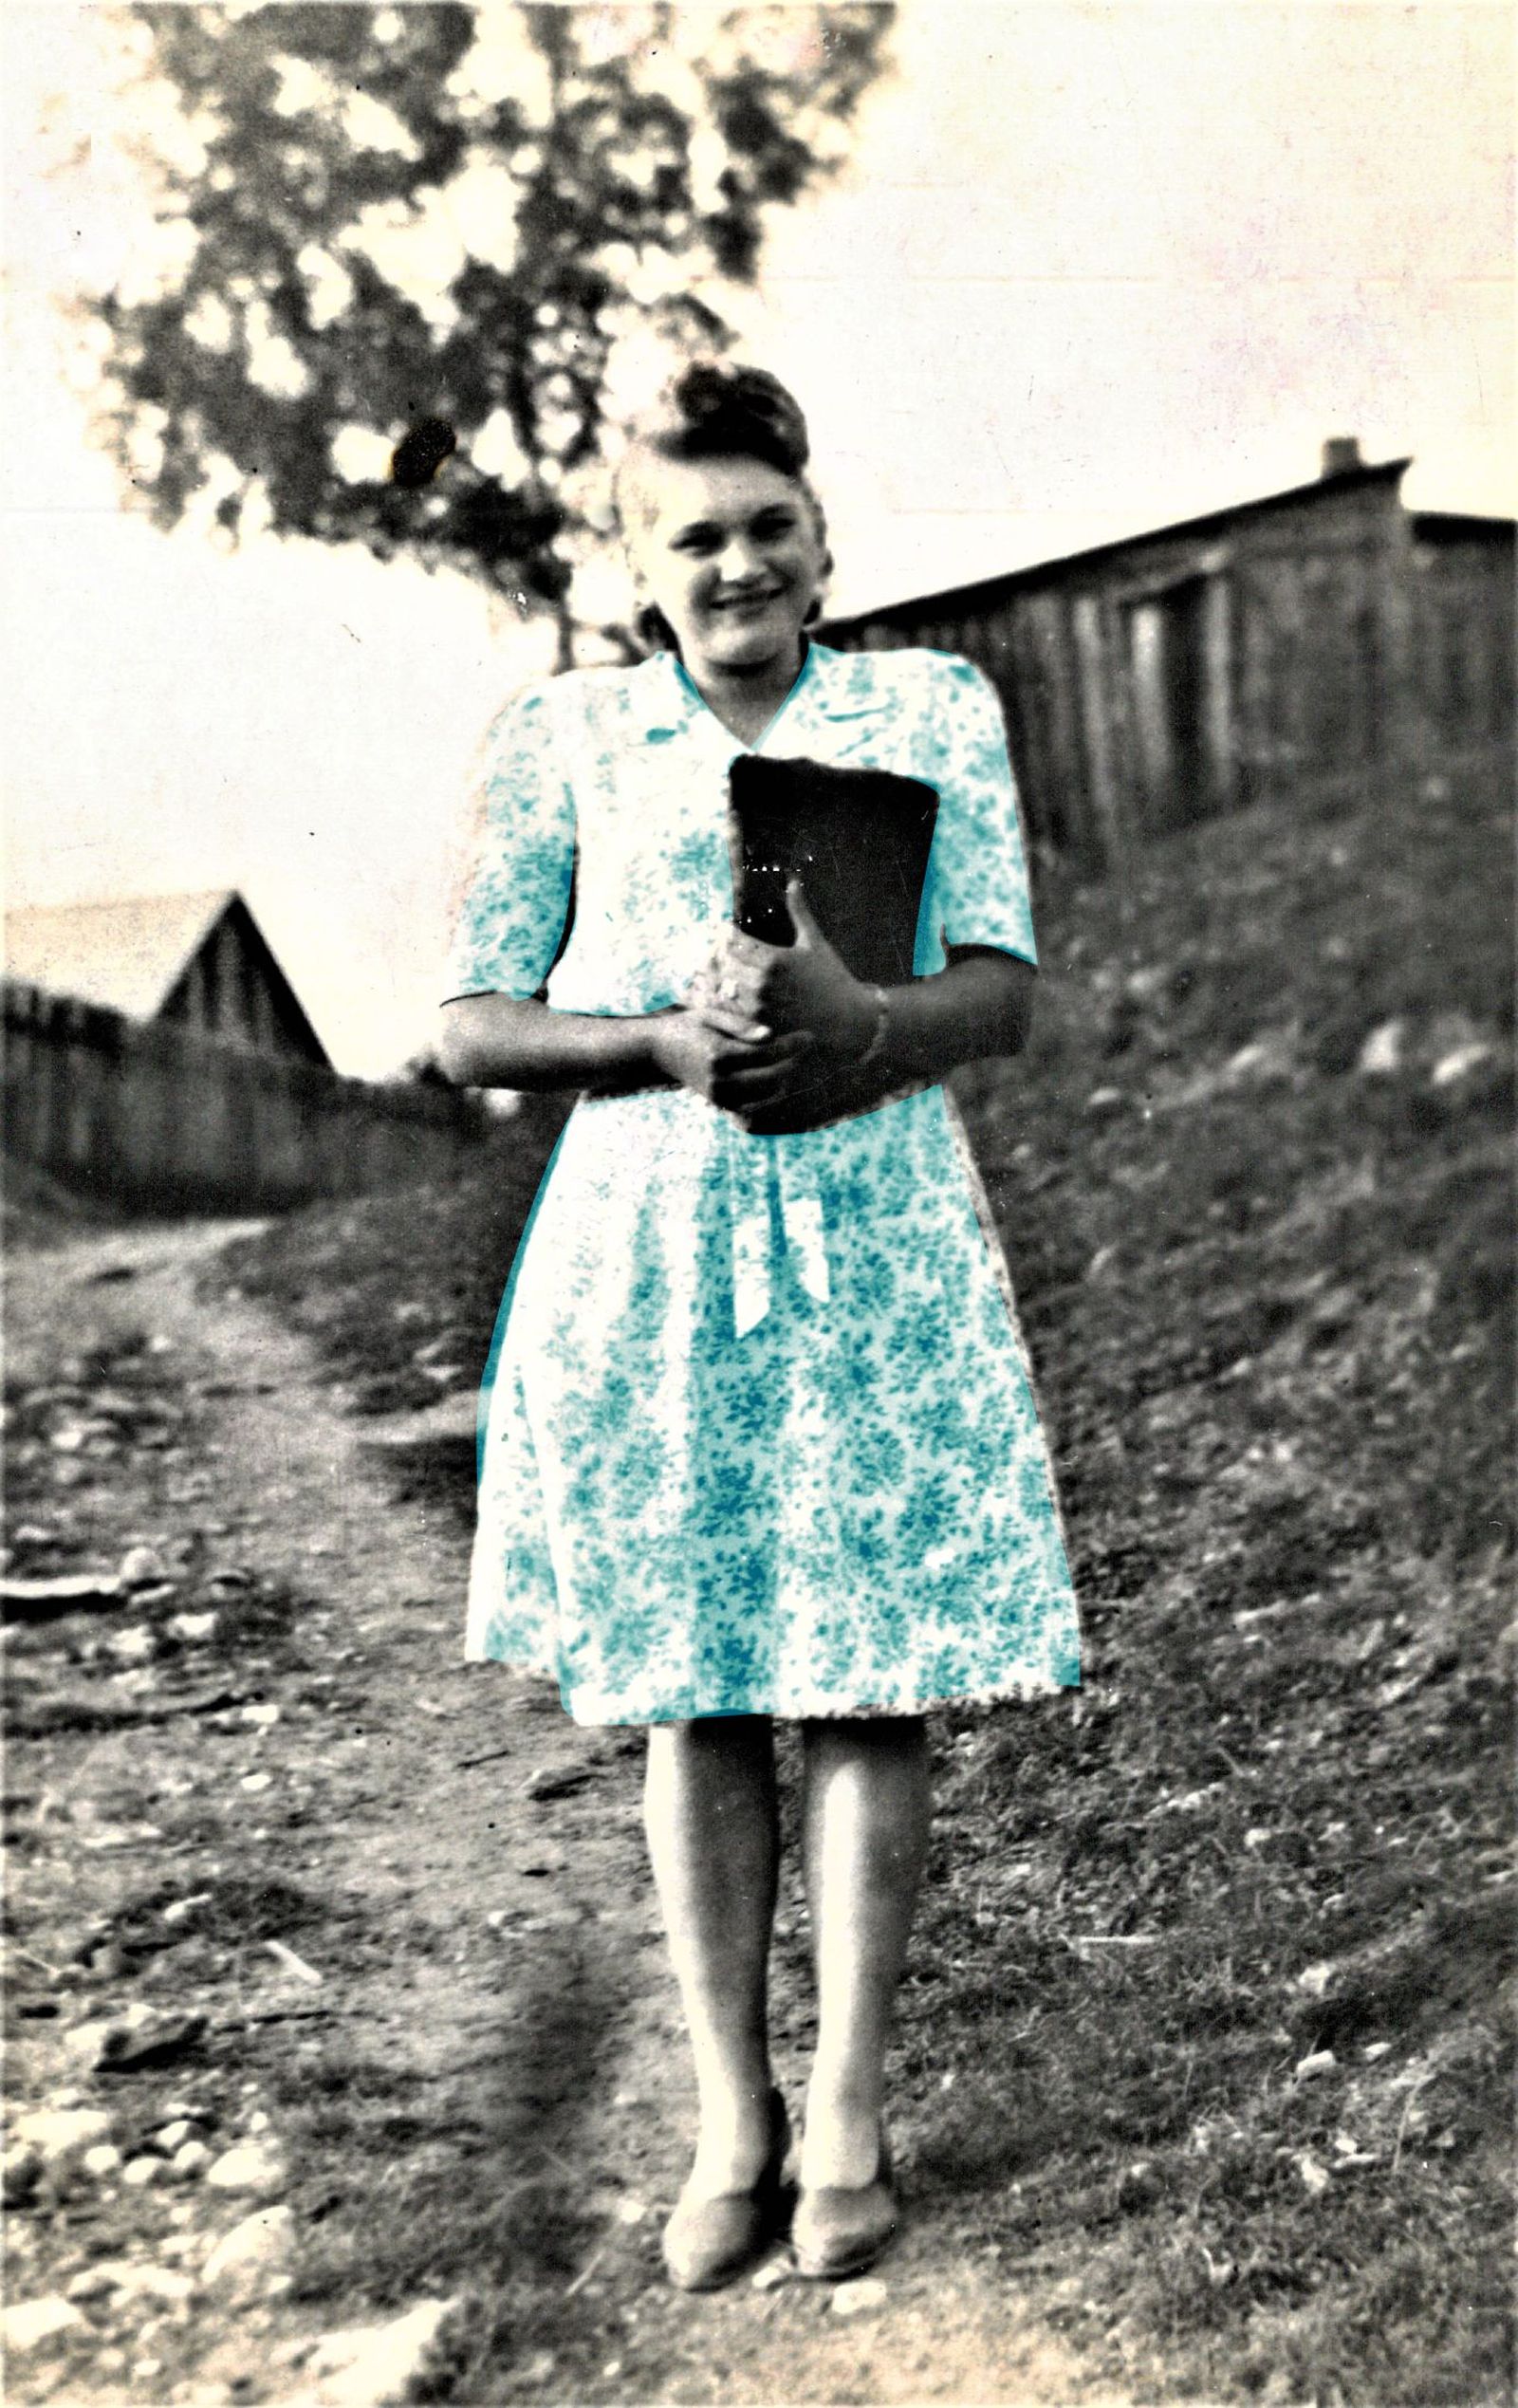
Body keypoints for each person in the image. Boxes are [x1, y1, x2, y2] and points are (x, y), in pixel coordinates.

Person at [437, 360, 1081, 2290]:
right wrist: (651, 1040)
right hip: (654, 1243)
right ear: (639, 566)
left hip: (875, 1227)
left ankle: (853, 2112)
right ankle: (735, 2112)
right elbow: (468, 1025)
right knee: (697, 1682)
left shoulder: (928, 706)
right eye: (693, 536)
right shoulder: (565, 733)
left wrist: (868, 1024)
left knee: (869, 1676)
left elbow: (1002, 989)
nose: (737, 565)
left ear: (822, 541)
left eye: (767, 527)